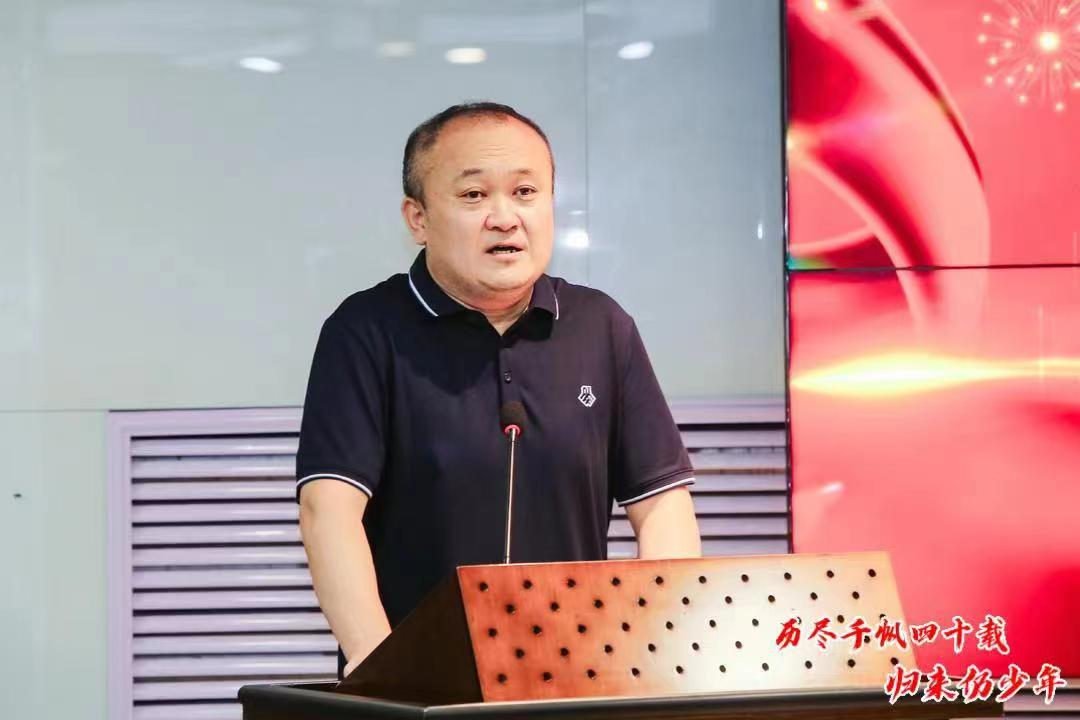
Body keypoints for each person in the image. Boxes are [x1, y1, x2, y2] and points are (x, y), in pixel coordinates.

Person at [295, 101, 702, 679]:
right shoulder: (366, 331)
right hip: (421, 688)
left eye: (526, 192)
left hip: (577, 680)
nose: (505, 218)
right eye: (474, 195)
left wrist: (656, 649)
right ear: (418, 218)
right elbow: (329, 511)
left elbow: (661, 505)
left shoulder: (600, 327)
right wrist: (381, 671)